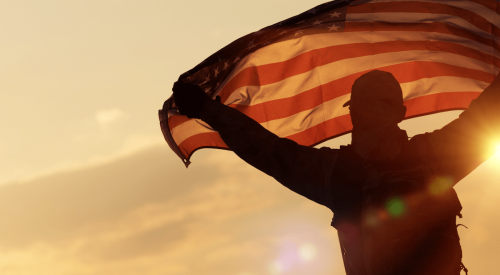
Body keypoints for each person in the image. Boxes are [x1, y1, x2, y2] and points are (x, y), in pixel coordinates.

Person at [172, 70, 500, 275]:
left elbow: (267, 150)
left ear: (351, 113)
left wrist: (207, 109)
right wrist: (206, 109)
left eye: (371, 108)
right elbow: (487, 118)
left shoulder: (335, 173)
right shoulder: (431, 157)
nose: (368, 117)